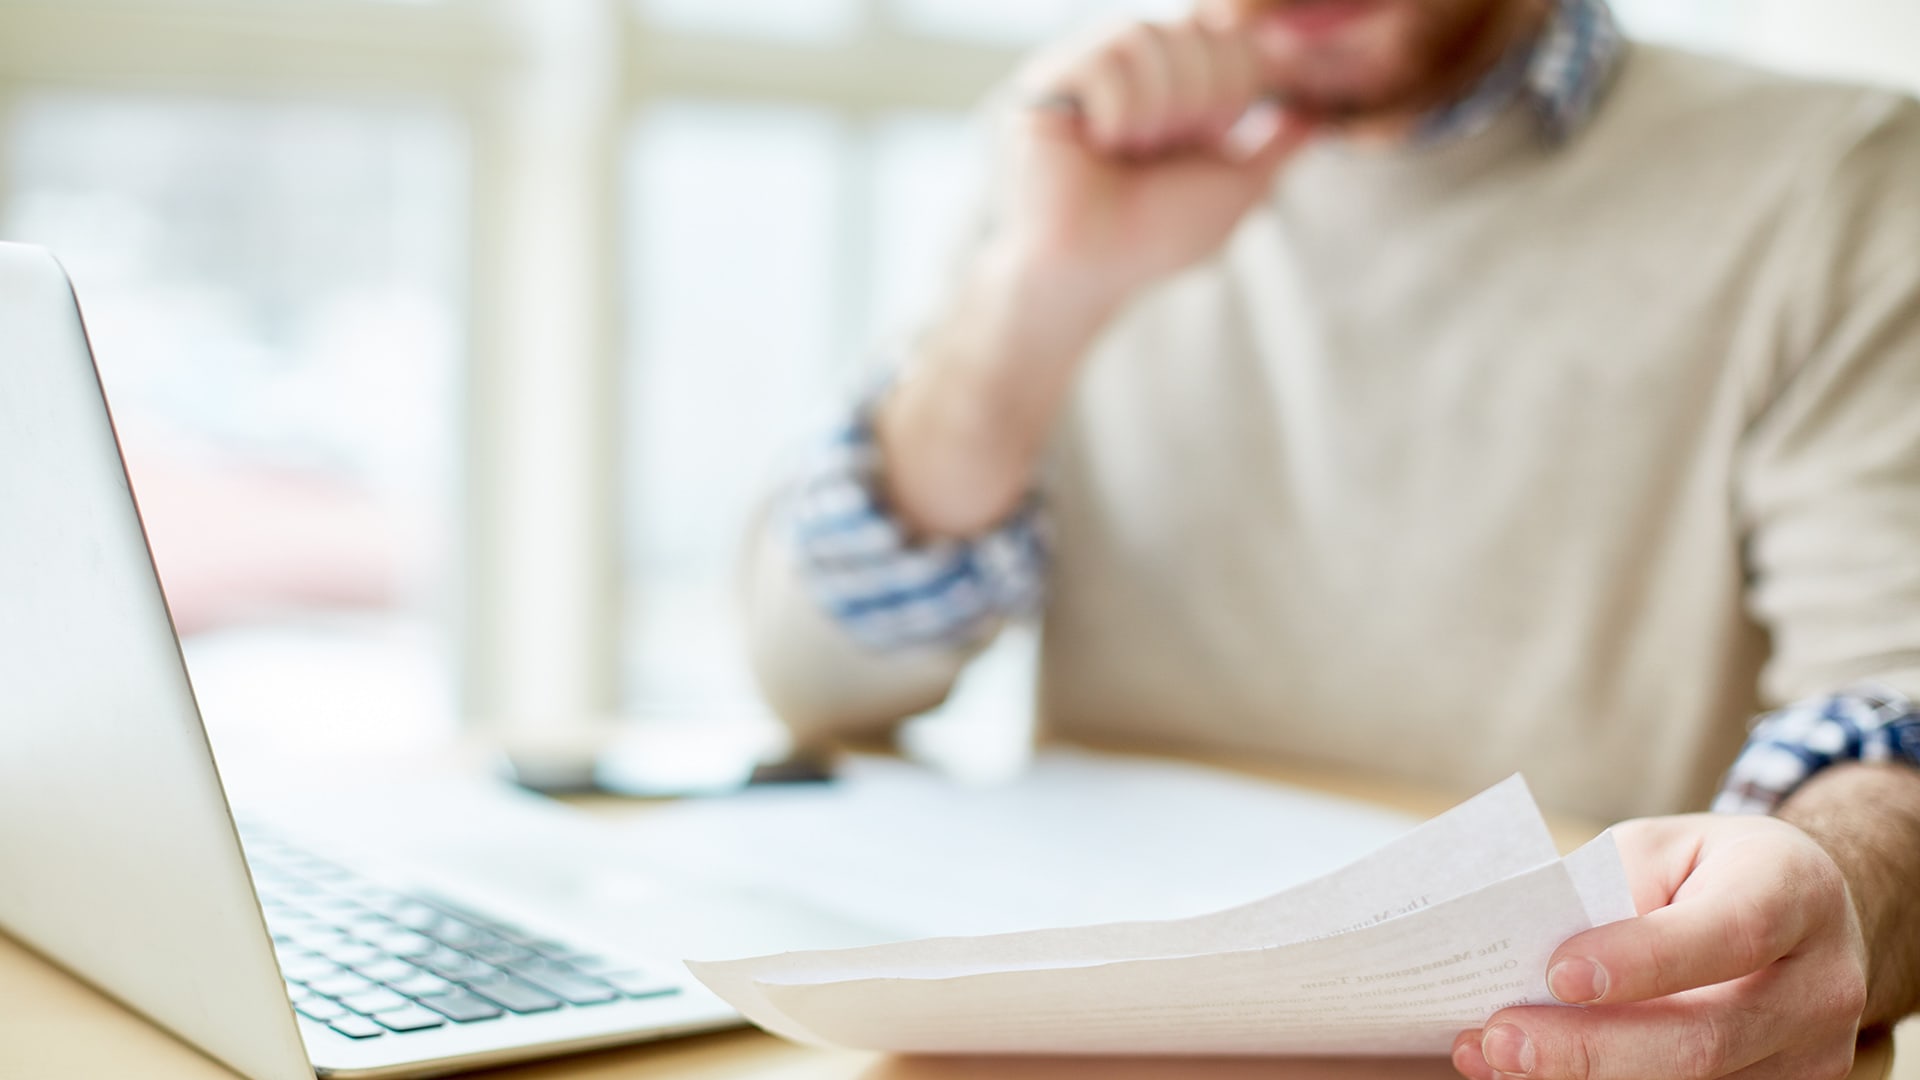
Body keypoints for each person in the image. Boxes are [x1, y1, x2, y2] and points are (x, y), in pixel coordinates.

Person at [738, 0, 1920, 1075]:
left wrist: (1836, 886)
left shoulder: (1843, 179)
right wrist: (1037, 296)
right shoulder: (1071, 148)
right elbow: (815, 684)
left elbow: (1896, 713)